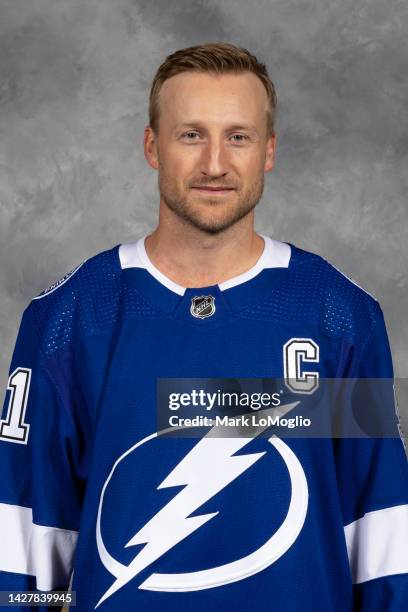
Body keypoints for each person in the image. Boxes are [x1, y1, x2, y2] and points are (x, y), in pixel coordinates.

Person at [0, 42, 407, 611]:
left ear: (268, 150)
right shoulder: (70, 319)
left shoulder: (339, 316)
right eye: (191, 134)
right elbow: (23, 552)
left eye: (237, 136)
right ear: (152, 146)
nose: (215, 163)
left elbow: (382, 539)